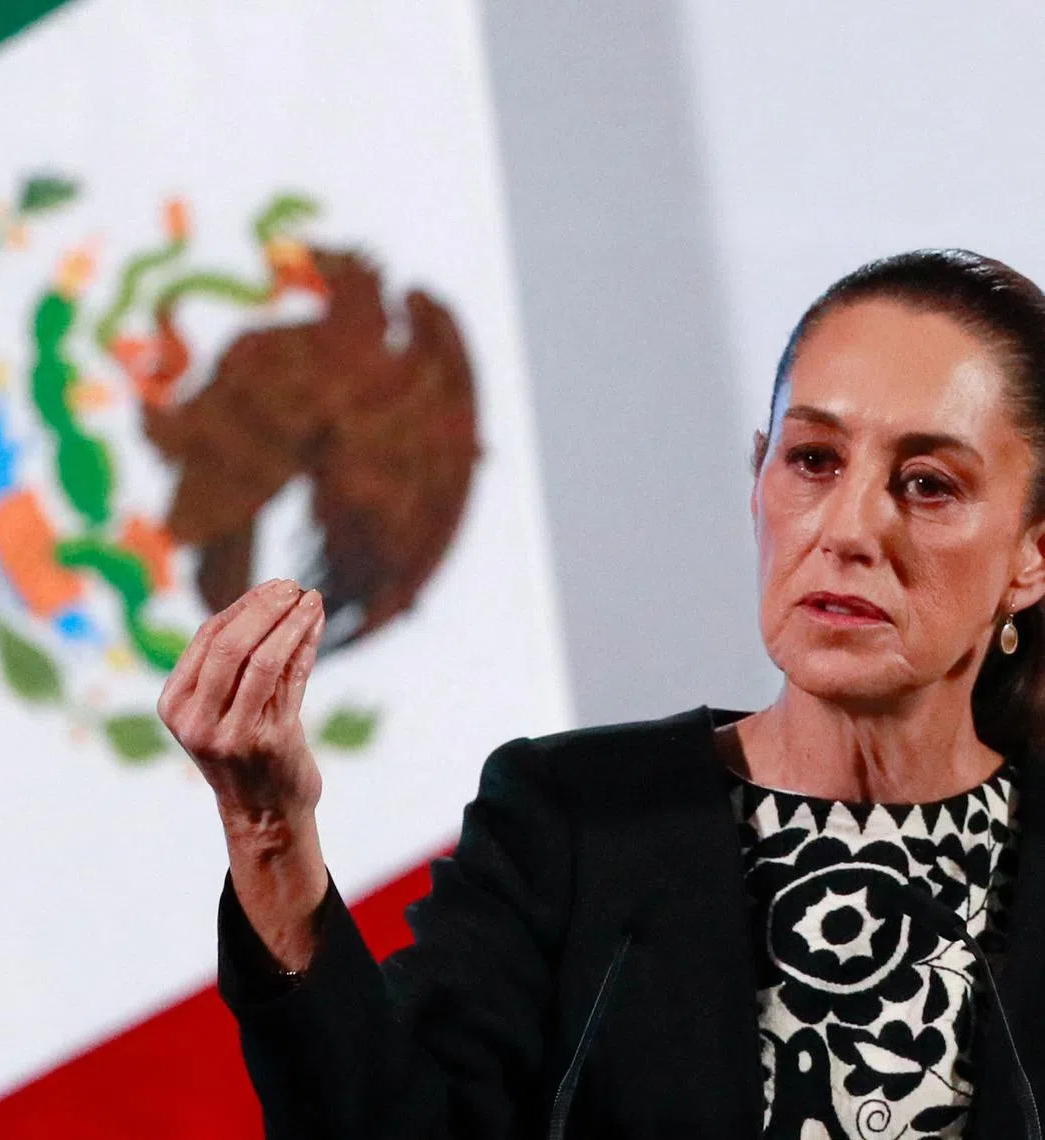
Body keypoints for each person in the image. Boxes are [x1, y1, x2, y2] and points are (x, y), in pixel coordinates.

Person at [158, 249, 1045, 1139]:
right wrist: (270, 832)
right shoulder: (574, 824)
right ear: (758, 479)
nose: (847, 529)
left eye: (928, 484)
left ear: (1032, 553)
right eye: (813, 459)